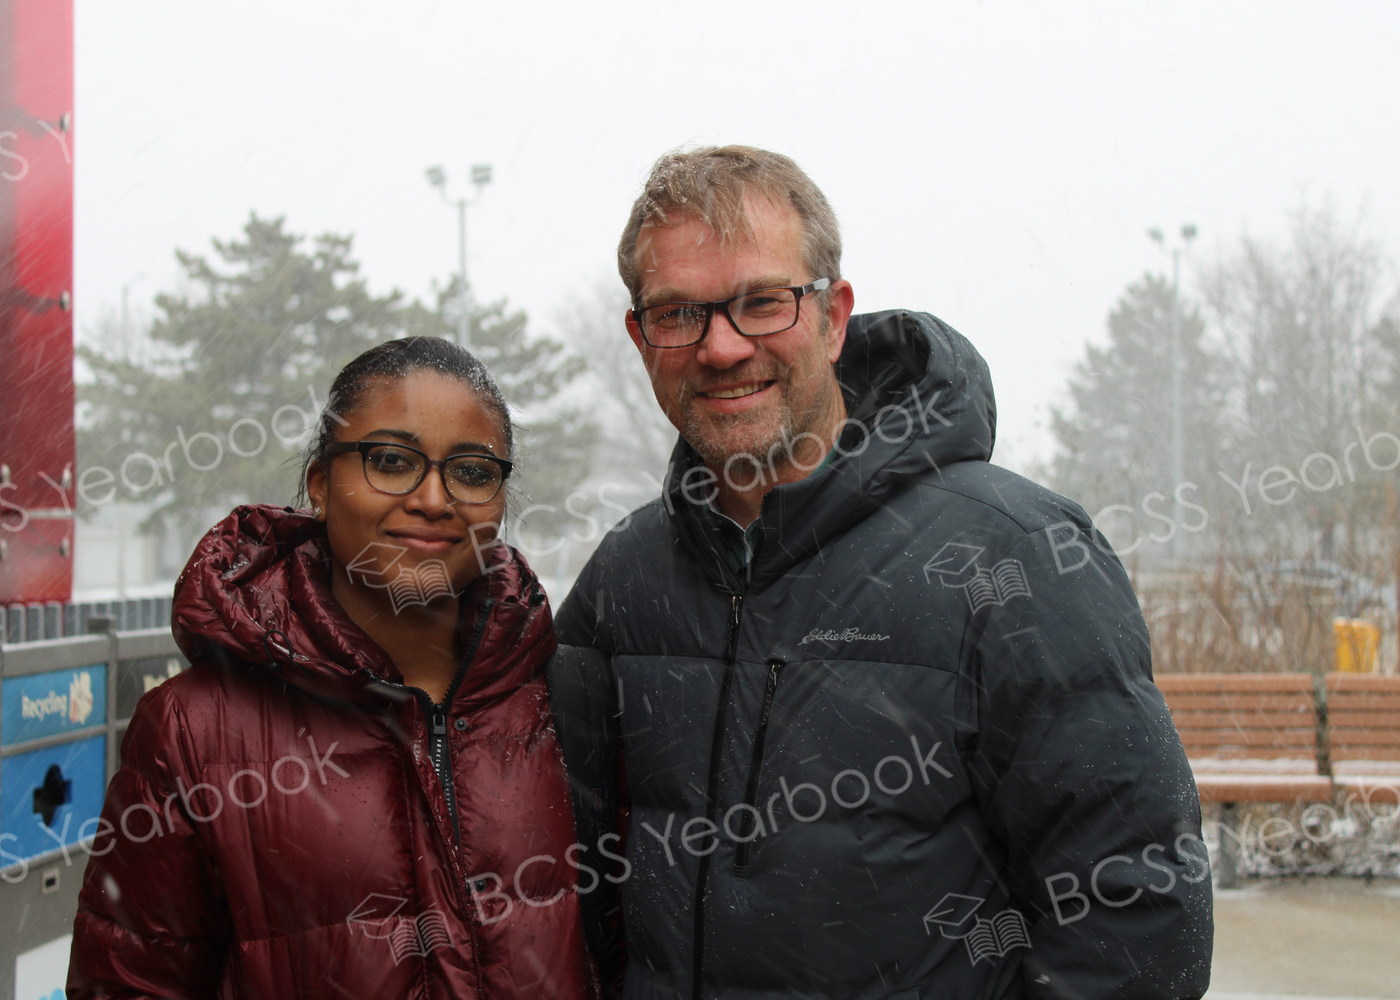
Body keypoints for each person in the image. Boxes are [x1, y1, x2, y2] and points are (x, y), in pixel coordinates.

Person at [556, 146, 1214, 999]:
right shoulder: (624, 576)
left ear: (834, 317)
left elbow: (1136, 922)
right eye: (678, 313)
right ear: (639, 337)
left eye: (762, 302)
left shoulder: (1014, 555)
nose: (720, 347)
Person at [68, 337, 601, 999]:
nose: (434, 498)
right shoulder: (195, 729)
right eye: (391, 460)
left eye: (471, 470)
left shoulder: (565, 696)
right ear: (320, 483)